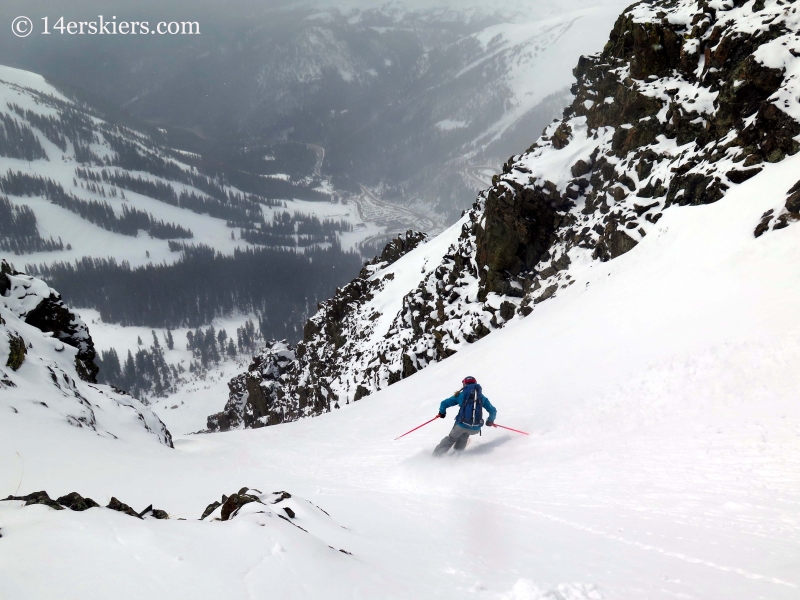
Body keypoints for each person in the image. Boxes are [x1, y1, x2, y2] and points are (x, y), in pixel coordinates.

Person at [433, 376, 497, 456]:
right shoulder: (481, 397)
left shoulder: (461, 395)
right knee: (464, 436)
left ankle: (435, 456)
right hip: (475, 428)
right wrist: (490, 421)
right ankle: (456, 456)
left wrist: (442, 413)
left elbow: (444, 403)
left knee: (451, 439)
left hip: (461, 425)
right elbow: (493, 410)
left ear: (464, 384)